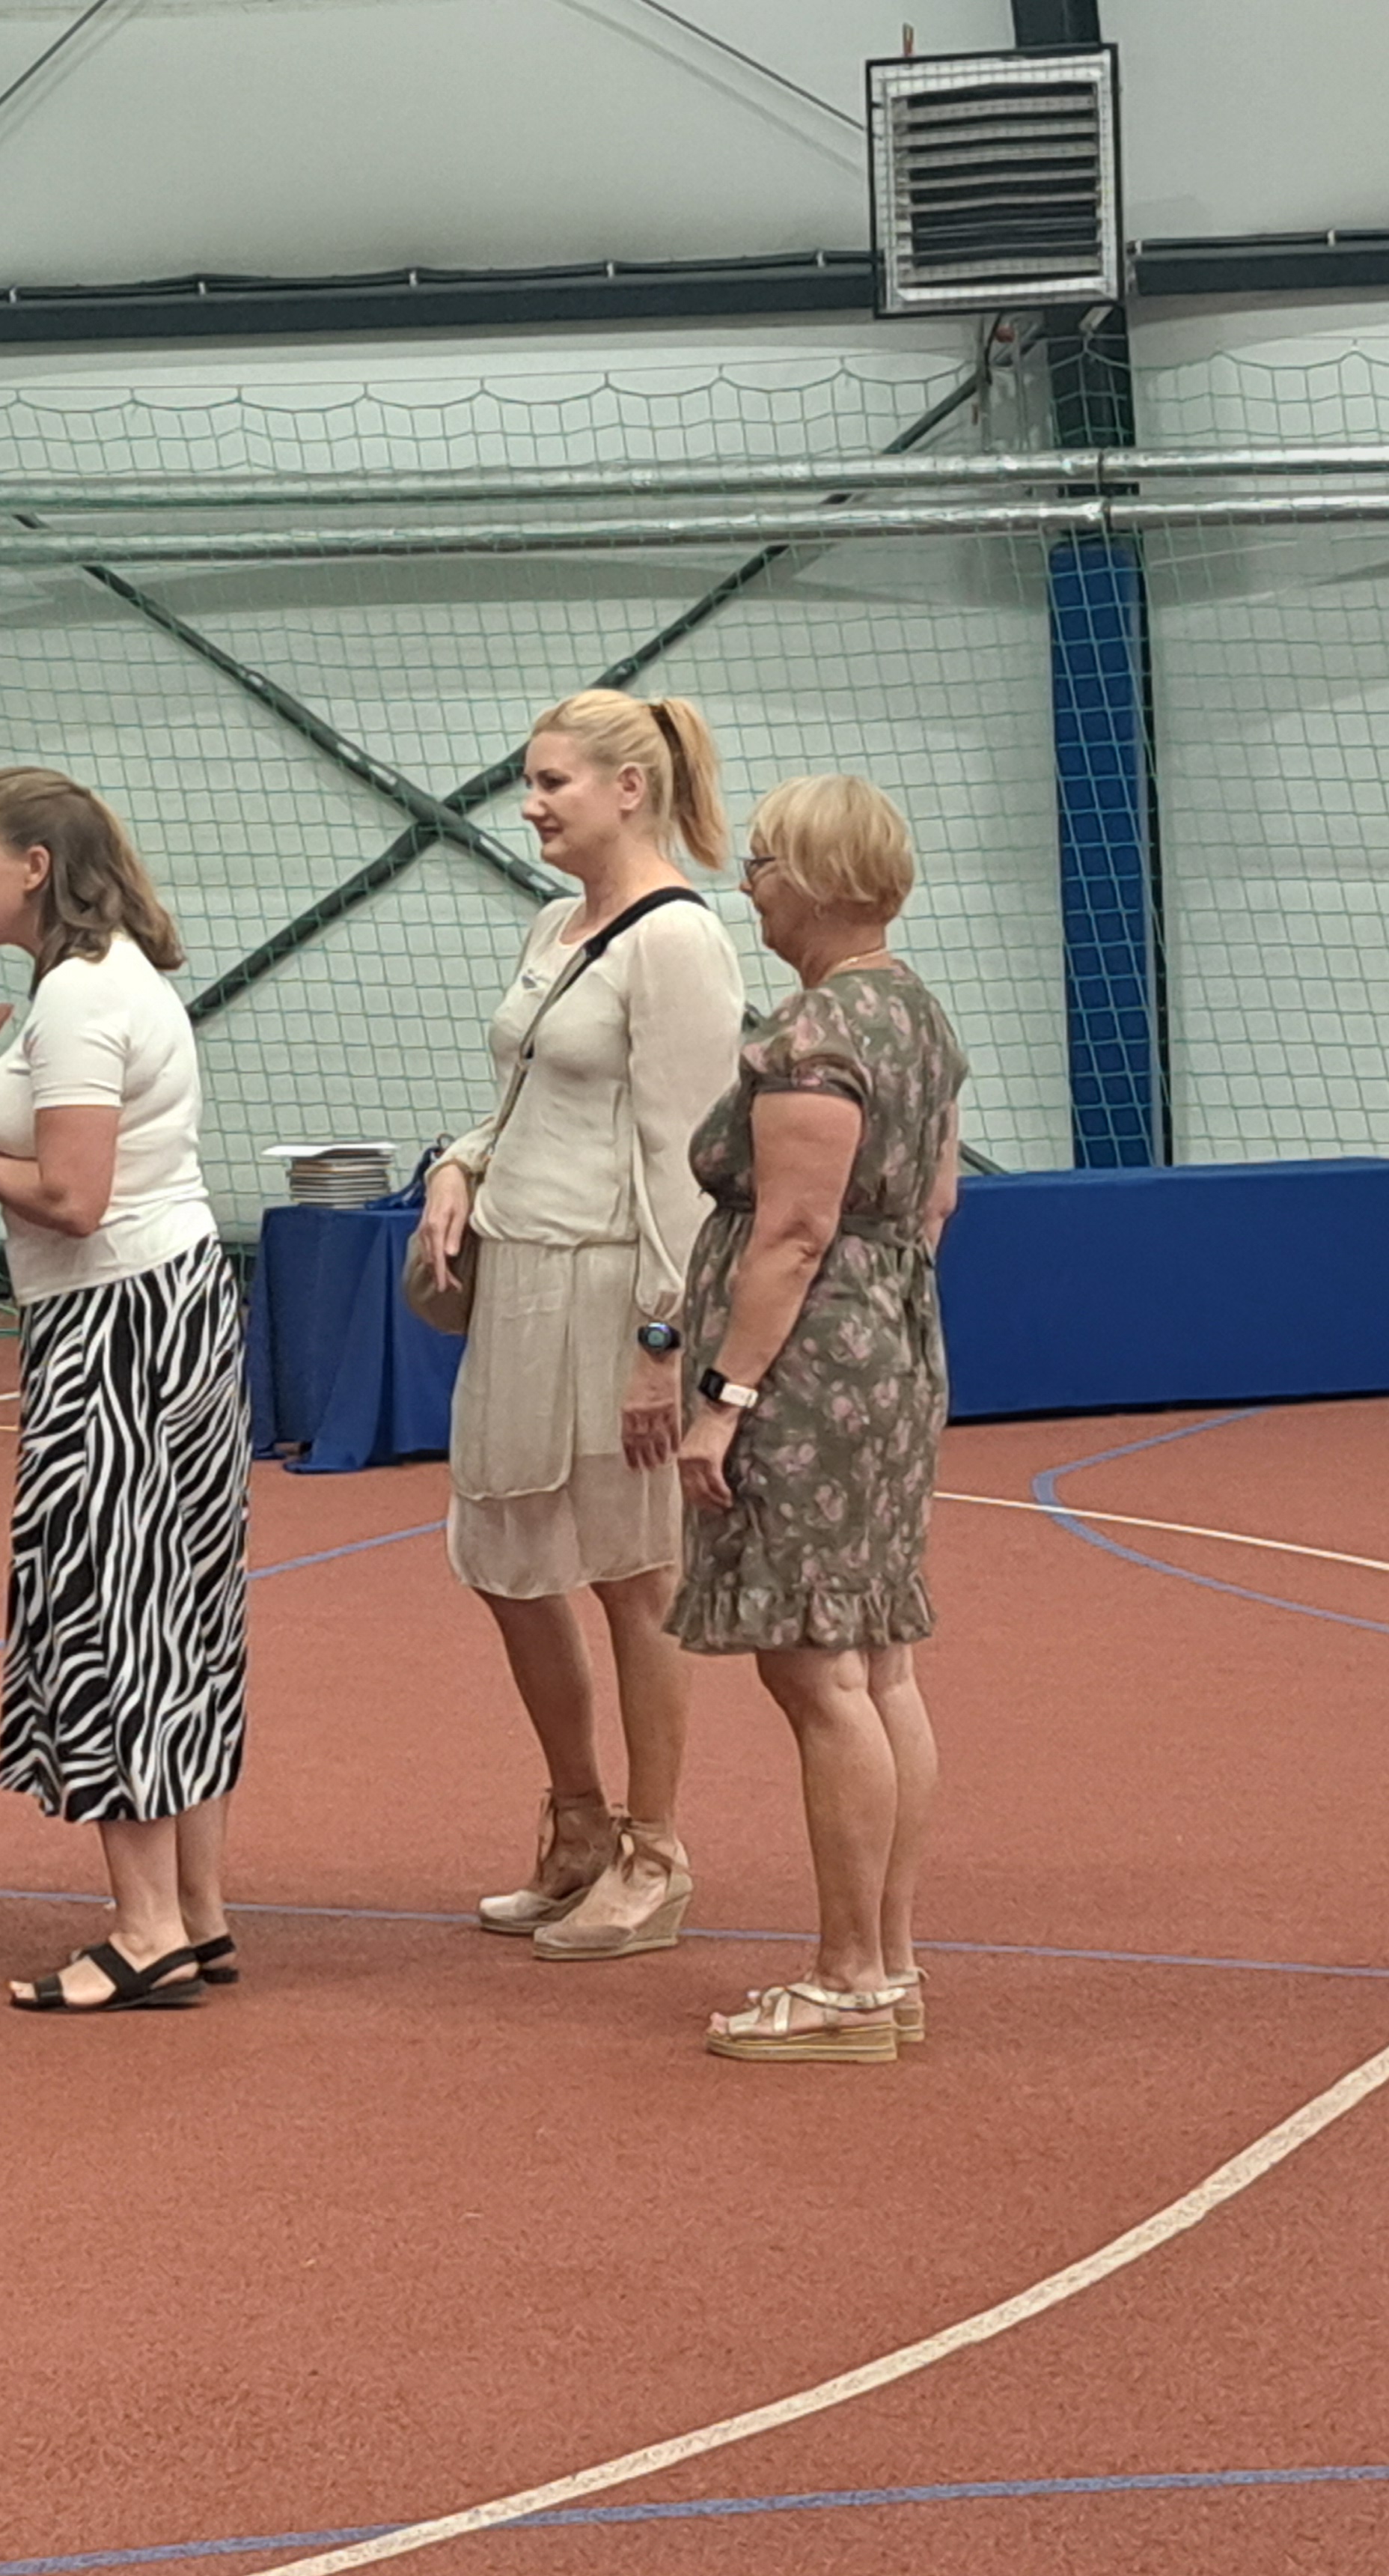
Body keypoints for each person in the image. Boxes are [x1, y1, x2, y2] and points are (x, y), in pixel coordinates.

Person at [412, 691, 748, 1961]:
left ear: (630, 789)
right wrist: (461, 1163)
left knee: (633, 1573)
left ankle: (656, 1854)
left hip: (617, 1293)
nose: (532, 804)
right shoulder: (555, 924)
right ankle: (578, 1825)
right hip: (519, 1279)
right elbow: (524, 1096)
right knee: (505, 1557)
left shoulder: (681, 942)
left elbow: (687, 1164)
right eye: (531, 781)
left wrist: (664, 1344)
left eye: (554, 782)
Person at [0, 767, 248, 2014]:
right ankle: (197, 1910)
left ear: (35, 868)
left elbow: (73, 1196)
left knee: (113, 1602)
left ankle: (147, 1926)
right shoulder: (110, 979)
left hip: (117, 1325)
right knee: (180, 1604)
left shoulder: (77, 996)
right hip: (169, 1306)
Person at [674, 774, 968, 2065]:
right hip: (890, 1351)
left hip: (807, 1375)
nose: (750, 886)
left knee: (816, 1671)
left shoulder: (814, 1035)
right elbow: (937, 1201)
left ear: (818, 881)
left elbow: (792, 1232)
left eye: (764, 864)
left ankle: (848, 1980)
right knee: (877, 1662)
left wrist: (724, 1401)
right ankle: (886, 1966)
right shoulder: (919, 1016)